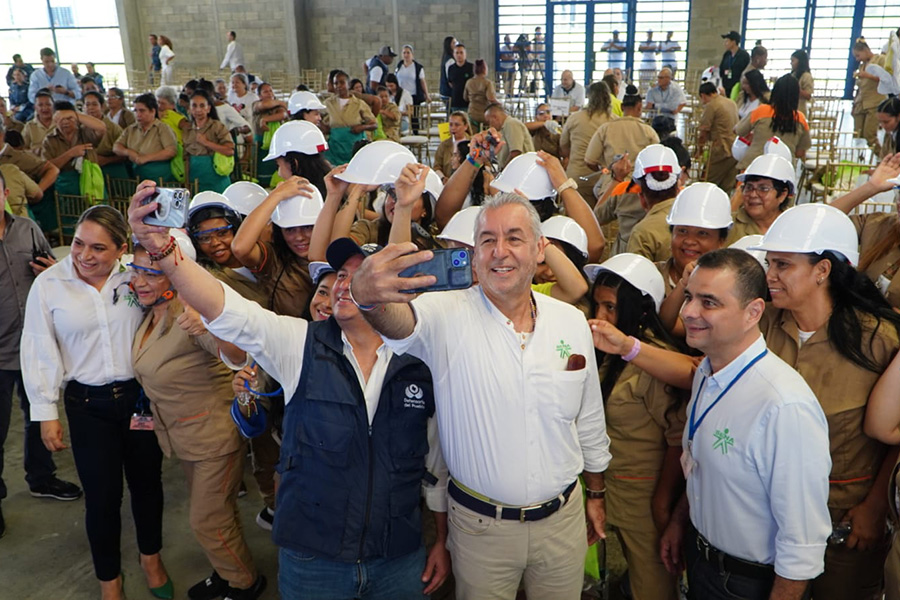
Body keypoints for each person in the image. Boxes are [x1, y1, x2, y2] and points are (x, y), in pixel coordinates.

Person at [127, 185, 451, 598]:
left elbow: (438, 462)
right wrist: (163, 251)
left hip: (397, 558)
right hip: (314, 562)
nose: (342, 284)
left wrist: (440, 540)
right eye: (339, 276)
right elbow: (227, 309)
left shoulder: (422, 358)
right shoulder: (300, 343)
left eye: (360, 276)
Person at [349, 184, 611, 599]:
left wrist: (595, 494)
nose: (499, 251)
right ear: (474, 253)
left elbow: (589, 419)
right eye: (487, 240)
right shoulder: (444, 314)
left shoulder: (571, 322)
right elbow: (398, 323)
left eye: (514, 238)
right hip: (479, 530)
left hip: (563, 521)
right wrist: (366, 296)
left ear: (540, 249)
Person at [652, 248, 832, 600]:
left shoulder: (783, 406)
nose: (689, 312)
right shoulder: (708, 372)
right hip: (703, 559)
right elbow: (703, 465)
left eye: (709, 302)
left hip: (750, 584)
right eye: (689, 296)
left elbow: (803, 539)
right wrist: (680, 521)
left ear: (753, 312)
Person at [747, 203, 900, 600]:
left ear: (823, 270)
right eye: (770, 264)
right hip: (763, 509)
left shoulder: (878, 340)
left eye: (783, 265)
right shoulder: (756, 325)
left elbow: (895, 437)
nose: (770, 276)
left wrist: (874, 507)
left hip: (844, 519)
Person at [22, 206, 170, 600]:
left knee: (147, 486)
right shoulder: (50, 285)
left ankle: (151, 558)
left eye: (99, 248)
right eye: (78, 243)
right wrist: (45, 412)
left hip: (140, 401)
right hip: (87, 405)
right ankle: (110, 581)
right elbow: (38, 348)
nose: (85, 255)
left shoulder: (135, 277)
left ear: (122, 249)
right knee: (102, 498)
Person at [127, 239, 267, 600]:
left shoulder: (193, 312)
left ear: (175, 276)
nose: (139, 281)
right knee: (220, 513)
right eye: (136, 270)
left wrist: (207, 328)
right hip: (185, 437)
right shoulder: (151, 314)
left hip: (213, 438)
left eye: (151, 273)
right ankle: (229, 571)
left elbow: (236, 353)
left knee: (206, 520)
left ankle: (244, 584)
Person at [585, 253, 685, 600]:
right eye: (596, 306)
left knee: (652, 587)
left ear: (640, 310)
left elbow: (678, 439)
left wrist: (662, 503)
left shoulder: (652, 364)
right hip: (610, 492)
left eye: (611, 308)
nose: (600, 317)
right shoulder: (609, 356)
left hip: (644, 500)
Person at [0, 184, 83, 540]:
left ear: (4, 193)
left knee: (40, 416)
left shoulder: (27, 229)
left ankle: (41, 477)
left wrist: (51, 269)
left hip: (34, 345)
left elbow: (52, 271)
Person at [597, 144, 680, 258]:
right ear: (677, 185)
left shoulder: (623, 192)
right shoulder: (688, 208)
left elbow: (596, 216)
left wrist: (617, 179)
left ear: (641, 196)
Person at [734, 74, 810, 170]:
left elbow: (739, 131)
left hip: (753, 166)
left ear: (775, 91)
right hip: (782, 170)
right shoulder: (800, 118)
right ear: (796, 95)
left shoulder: (761, 111)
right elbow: (800, 153)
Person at [585, 85, 660, 182]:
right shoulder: (649, 132)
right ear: (640, 106)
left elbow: (589, 160)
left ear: (621, 107)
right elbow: (656, 163)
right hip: (637, 186)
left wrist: (606, 171)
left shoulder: (605, 129)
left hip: (610, 185)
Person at [560, 81, 615, 204]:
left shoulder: (574, 118)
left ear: (588, 97)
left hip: (577, 177)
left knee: (575, 219)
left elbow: (563, 147)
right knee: (601, 220)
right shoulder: (614, 121)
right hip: (604, 180)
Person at [40, 100, 107, 197]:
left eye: (69, 118)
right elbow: (47, 167)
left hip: (91, 182)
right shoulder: (49, 140)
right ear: (55, 120)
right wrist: (71, 153)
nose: (66, 122)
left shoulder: (85, 132)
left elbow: (102, 128)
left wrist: (74, 114)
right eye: (62, 119)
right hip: (65, 187)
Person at [727, 154, 796, 243]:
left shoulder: (794, 225)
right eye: (749, 187)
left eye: (763, 189)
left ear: (782, 195)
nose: (753, 194)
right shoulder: (729, 227)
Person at [113, 93, 178, 181]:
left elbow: (171, 151)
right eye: (135, 111)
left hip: (159, 175)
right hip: (136, 174)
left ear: (153, 111)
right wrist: (129, 152)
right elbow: (116, 147)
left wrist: (146, 158)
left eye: (142, 111)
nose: (138, 114)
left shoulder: (162, 128)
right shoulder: (131, 129)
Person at [184, 90, 234, 193]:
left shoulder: (217, 126)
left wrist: (207, 143)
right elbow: (186, 158)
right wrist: (186, 182)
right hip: (195, 178)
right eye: (194, 106)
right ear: (189, 109)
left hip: (216, 177)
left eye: (202, 106)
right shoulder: (187, 129)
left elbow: (229, 150)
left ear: (208, 109)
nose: (198, 110)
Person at [323, 71, 377, 166]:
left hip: (354, 144)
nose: (339, 86)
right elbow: (316, 118)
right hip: (335, 147)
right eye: (336, 83)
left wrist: (362, 127)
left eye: (342, 82)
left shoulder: (359, 103)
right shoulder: (328, 103)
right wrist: (323, 127)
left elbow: (374, 124)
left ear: (348, 84)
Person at [697, 82, 739, 193]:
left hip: (721, 149)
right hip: (735, 149)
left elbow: (703, 132)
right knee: (726, 187)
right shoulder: (731, 102)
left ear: (703, 95)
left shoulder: (712, 105)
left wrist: (699, 151)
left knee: (707, 184)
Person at [84, 91, 130, 181]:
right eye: (87, 104)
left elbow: (125, 155)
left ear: (102, 106)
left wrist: (106, 160)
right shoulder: (80, 127)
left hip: (113, 170)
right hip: (89, 171)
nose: (90, 108)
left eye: (94, 104)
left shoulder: (114, 128)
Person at [853, 38, 889, 154]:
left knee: (870, 136)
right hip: (861, 102)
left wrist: (868, 76)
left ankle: (883, 158)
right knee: (857, 135)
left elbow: (887, 79)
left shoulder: (880, 60)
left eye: (858, 56)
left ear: (865, 50)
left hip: (875, 102)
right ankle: (858, 160)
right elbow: (861, 87)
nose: (857, 59)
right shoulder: (862, 65)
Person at [483, 103, 535, 169]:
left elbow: (515, 152)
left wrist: (503, 171)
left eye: (489, 122)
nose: (490, 125)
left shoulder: (511, 124)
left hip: (520, 170)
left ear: (495, 117)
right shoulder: (504, 128)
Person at [432, 111, 470, 183]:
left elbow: (486, 164)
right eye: (450, 125)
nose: (453, 128)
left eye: (457, 125)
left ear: (465, 126)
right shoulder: (444, 145)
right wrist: (443, 178)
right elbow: (437, 166)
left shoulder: (472, 143)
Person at [464, 59, 497, 131]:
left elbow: (465, 97)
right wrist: (500, 104)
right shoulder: (487, 83)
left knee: (473, 133)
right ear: (485, 69)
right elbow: (491, 98)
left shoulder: (469, 82)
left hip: (472, 113)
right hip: (484, 113)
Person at [719, 31, 750, 98]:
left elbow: (747, 72)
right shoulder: (727, 55)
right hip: (726, 86)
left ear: (733, 42)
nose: (725, 43)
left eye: (727, 41)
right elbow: (722, 69)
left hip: (738, 88)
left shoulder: (744, 56)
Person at [447, 44, 474, 115]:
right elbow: (450, 83)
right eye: (457, 53)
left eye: (461, 53)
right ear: (453, 54)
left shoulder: (471, 67)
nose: (459, 55)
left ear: (465, 54)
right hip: (455, 102)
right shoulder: (451, 68)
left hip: (468, 103)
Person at [790, 50, 814, 117]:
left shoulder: (806, 76)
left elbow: (808, 95)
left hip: (799, 110)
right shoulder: (793, 74)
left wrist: (795, 88)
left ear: (800, 62)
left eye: (793, 61)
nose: (791, 63)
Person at [439, 36, 457, 105]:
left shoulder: (446, 57)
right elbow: (450, 78)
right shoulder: (450, 60)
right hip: (448, 92)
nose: (456, 45)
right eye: (454, 43)